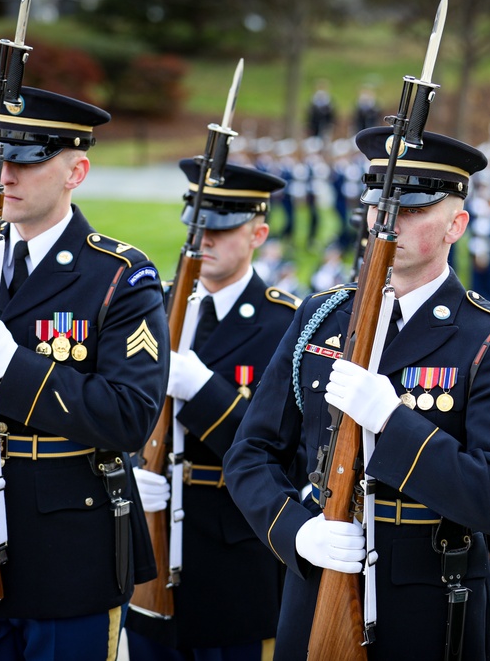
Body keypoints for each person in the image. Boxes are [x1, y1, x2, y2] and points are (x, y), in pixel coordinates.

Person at [223, 126, 490, 660]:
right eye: (379, 206)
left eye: (412, 209)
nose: (386, 222)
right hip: (320, 581)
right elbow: (250, 455)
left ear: (456, 225)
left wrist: (393, 423)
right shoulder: (322, 317)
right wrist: (297, 534)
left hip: (432, 602)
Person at [0, 86, 169, 660]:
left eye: (27, 161)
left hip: (71, 555)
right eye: (2, 160)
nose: (8, 175)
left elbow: (128, 416)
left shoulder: (121, 277)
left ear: (77, 171)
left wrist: (11, 363)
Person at [125, 160, 301, 661]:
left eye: (222, 228)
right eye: (198, 226)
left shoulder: (285, 323)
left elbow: (286, 449)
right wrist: (131, 467)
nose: (205, 239)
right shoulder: (155, 308)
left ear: (258, 233)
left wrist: (204, 390)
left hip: (233, 560)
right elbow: (119, 412)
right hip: (151, 552)